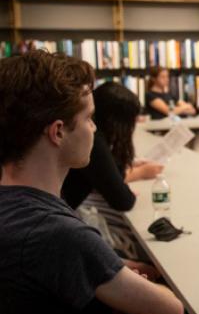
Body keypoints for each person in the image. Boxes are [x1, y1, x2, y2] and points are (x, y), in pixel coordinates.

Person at [0, 50, 199, 314]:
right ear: (59, 131)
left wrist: (114, 272)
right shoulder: (61, 235)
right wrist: (133, 290)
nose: (95, 130)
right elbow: (169, 312)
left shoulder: (16, 209)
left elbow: (70, 272)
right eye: (90, 119)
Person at [62, 82, 163, 268]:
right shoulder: (94, 144)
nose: (91, 126)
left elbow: (112, 174)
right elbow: (123, 200)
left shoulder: (98, 140)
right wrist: (139, 173)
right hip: (67, 229)